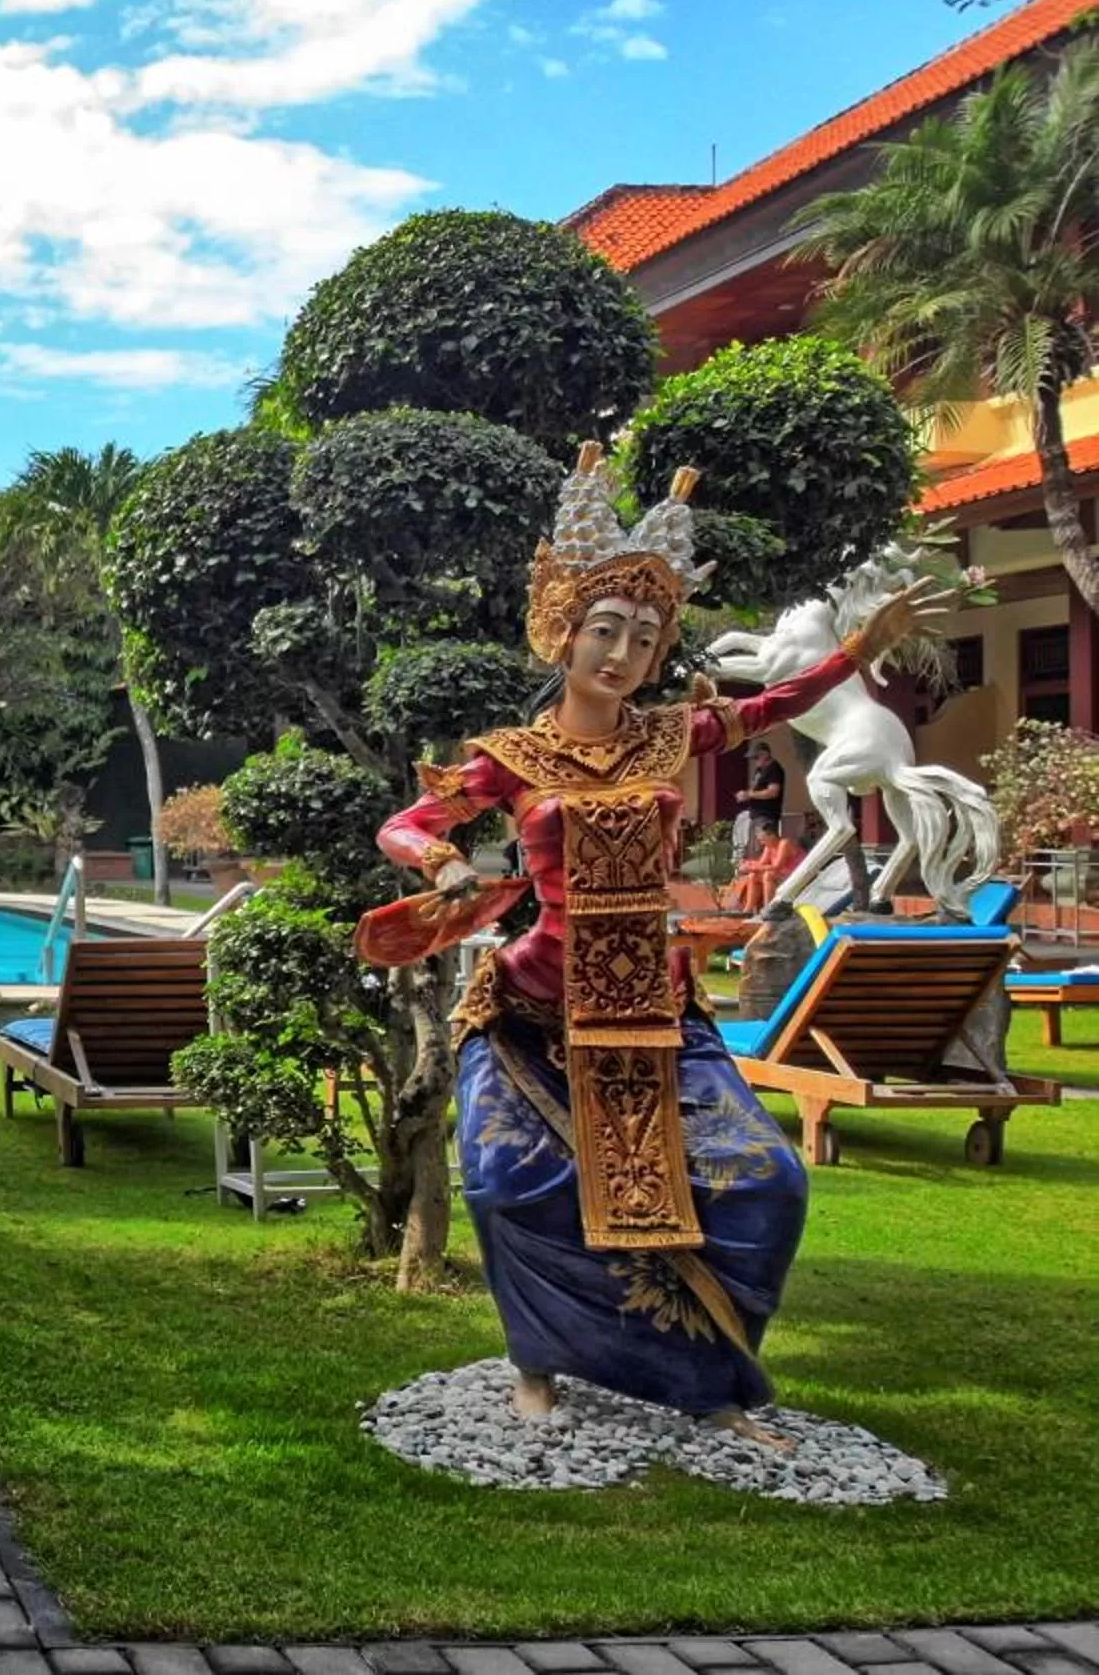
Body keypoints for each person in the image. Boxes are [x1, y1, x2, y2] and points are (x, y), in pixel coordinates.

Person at [370, 447, 943, 1447]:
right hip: (533, 1015)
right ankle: (538, 1361)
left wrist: (855, 652)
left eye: (642, 636)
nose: (621, 653)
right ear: (564, 634)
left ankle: (708, 1380)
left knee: (765, 1183)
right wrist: (441, 865)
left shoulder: (674, 735)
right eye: (604, 630)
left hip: (659, 1013)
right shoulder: (515, 759)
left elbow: (777, 704)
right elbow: (407, 823)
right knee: (509, 1187)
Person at [728, 825, 805, 916]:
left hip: (797, 874)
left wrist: (753, 866)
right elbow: (761, 863)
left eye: (763, 840)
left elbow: (777, 866)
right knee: (753, 876)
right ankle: (748, 909)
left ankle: (769, 907)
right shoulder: (769, 846)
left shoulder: (784, 843)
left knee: (768, 875)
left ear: (772, 836)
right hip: (782, 874)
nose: (762, 843)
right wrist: (748, 864)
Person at [735, 742, 787, 856]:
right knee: (755, 850)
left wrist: (750, 795)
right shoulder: (759, 770)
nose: (755, 760)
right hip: (756, 814)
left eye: (756, 757)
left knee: (766, 849)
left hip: (766, 815)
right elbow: (754, 790)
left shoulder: (774, 769)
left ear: (765, 754)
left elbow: (773, 792)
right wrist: (746, 794)